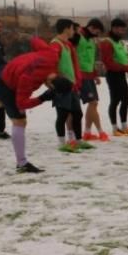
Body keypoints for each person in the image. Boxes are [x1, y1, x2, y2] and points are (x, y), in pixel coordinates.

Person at [0, 45, 73, 173]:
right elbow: (22, 103)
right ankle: (22, 163)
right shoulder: (29, 79)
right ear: (51, 85)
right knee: (20, 121)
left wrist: (35, 56)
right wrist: (42, 98)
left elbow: (34, 40)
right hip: (7, 83)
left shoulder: (52, 56)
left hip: (6, 72)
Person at [39, 19, 88, 154]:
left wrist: (76, 80)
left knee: (77, 114)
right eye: (73, 29)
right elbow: (50, 64)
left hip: (72, 85)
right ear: (66, 29)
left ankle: (78, 140)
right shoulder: (55, 44)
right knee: (62, 114)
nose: (74, 32)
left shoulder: (68, 45)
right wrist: (53, 79)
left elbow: (73, 64)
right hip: (62, 85)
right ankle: (61, 143)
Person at [99, 18, 128, 136]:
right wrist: (125, 68)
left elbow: (124, 58)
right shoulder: (106, 42)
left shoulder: (120, 42)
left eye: (124, 30)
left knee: (126, 101)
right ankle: (115, 128)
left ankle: (124, 127)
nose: (123, 32)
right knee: (115, 101)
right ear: (113, 28)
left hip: (121, 75)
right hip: (113, 75)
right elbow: (108, 62)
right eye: (121, 30)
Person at [77, 18, 109, 142]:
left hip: (89, 75)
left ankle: (87, 132)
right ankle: (100, 131)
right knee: (93, 102)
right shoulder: (78, 37)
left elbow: (90, 59)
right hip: (81, 75)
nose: (97, 35)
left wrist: (95, 74)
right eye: (97, 32)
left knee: (93, 103)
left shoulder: (91, 40)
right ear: (91, 28)